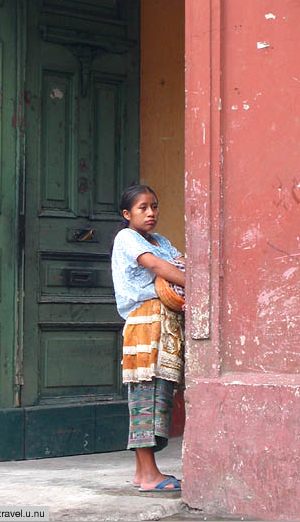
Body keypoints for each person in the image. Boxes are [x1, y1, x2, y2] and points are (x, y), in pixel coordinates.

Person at [111, 184, 185, 494]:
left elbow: (178, 260)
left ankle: (143, 473)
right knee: (146, 395)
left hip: (163, 322)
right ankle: (151, 474)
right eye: (143, 207)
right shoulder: (126, 238)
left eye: (154, 206)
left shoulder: (161, 241)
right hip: (144, 322)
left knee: (159, 394)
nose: (151, 212)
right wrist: (198, 285)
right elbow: (157, 266)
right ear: (127, 214)